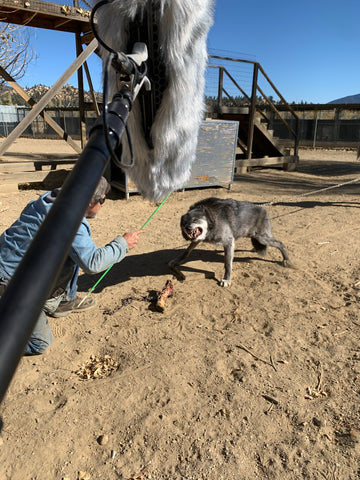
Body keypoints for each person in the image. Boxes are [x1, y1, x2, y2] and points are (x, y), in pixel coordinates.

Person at [0, 176, 144, 355]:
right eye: (103, 200)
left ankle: (64, 303)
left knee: (72, 254)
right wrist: (122, 244)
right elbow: (93, 263)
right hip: (11, 285)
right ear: (91, 202)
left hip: (14, 270)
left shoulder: (49, 199)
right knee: (40, 343)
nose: (103, 205)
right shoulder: (70, 222)